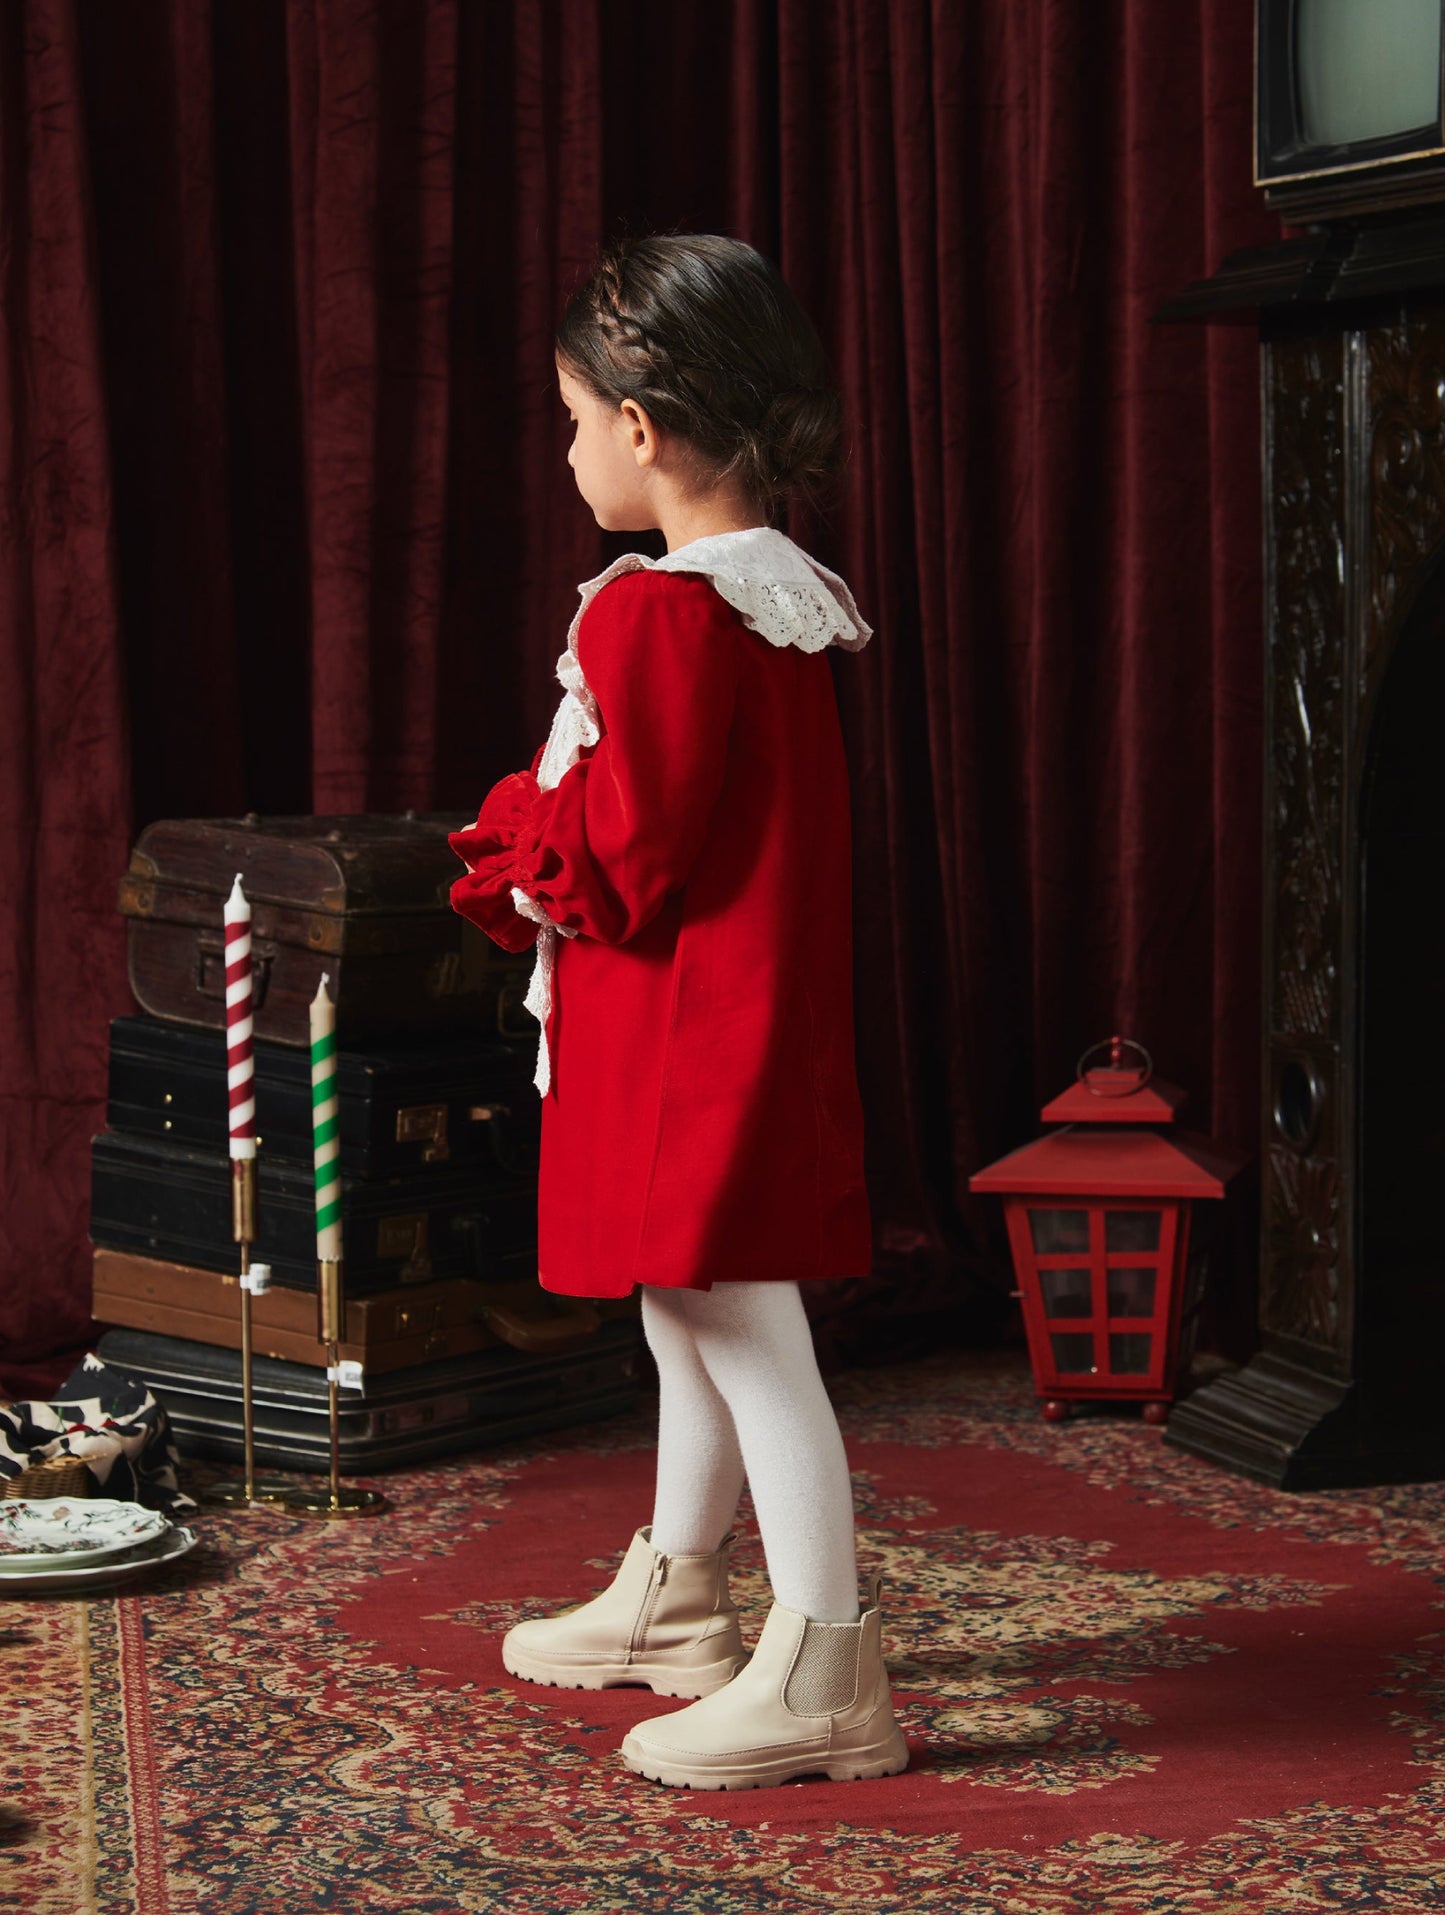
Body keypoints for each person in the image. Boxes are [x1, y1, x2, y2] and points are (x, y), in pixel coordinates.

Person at [449, 233, 909, 1792]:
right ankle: (682, 1591)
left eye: (574, 421)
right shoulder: (779, 596)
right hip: (744, 1012)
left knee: (736, 1319)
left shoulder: (653, 612)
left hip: (682, 1036)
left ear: (640, 429)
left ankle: (828, 1665)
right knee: (686, 1303)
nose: (571, 451)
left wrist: (519, 839)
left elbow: (622, 863)